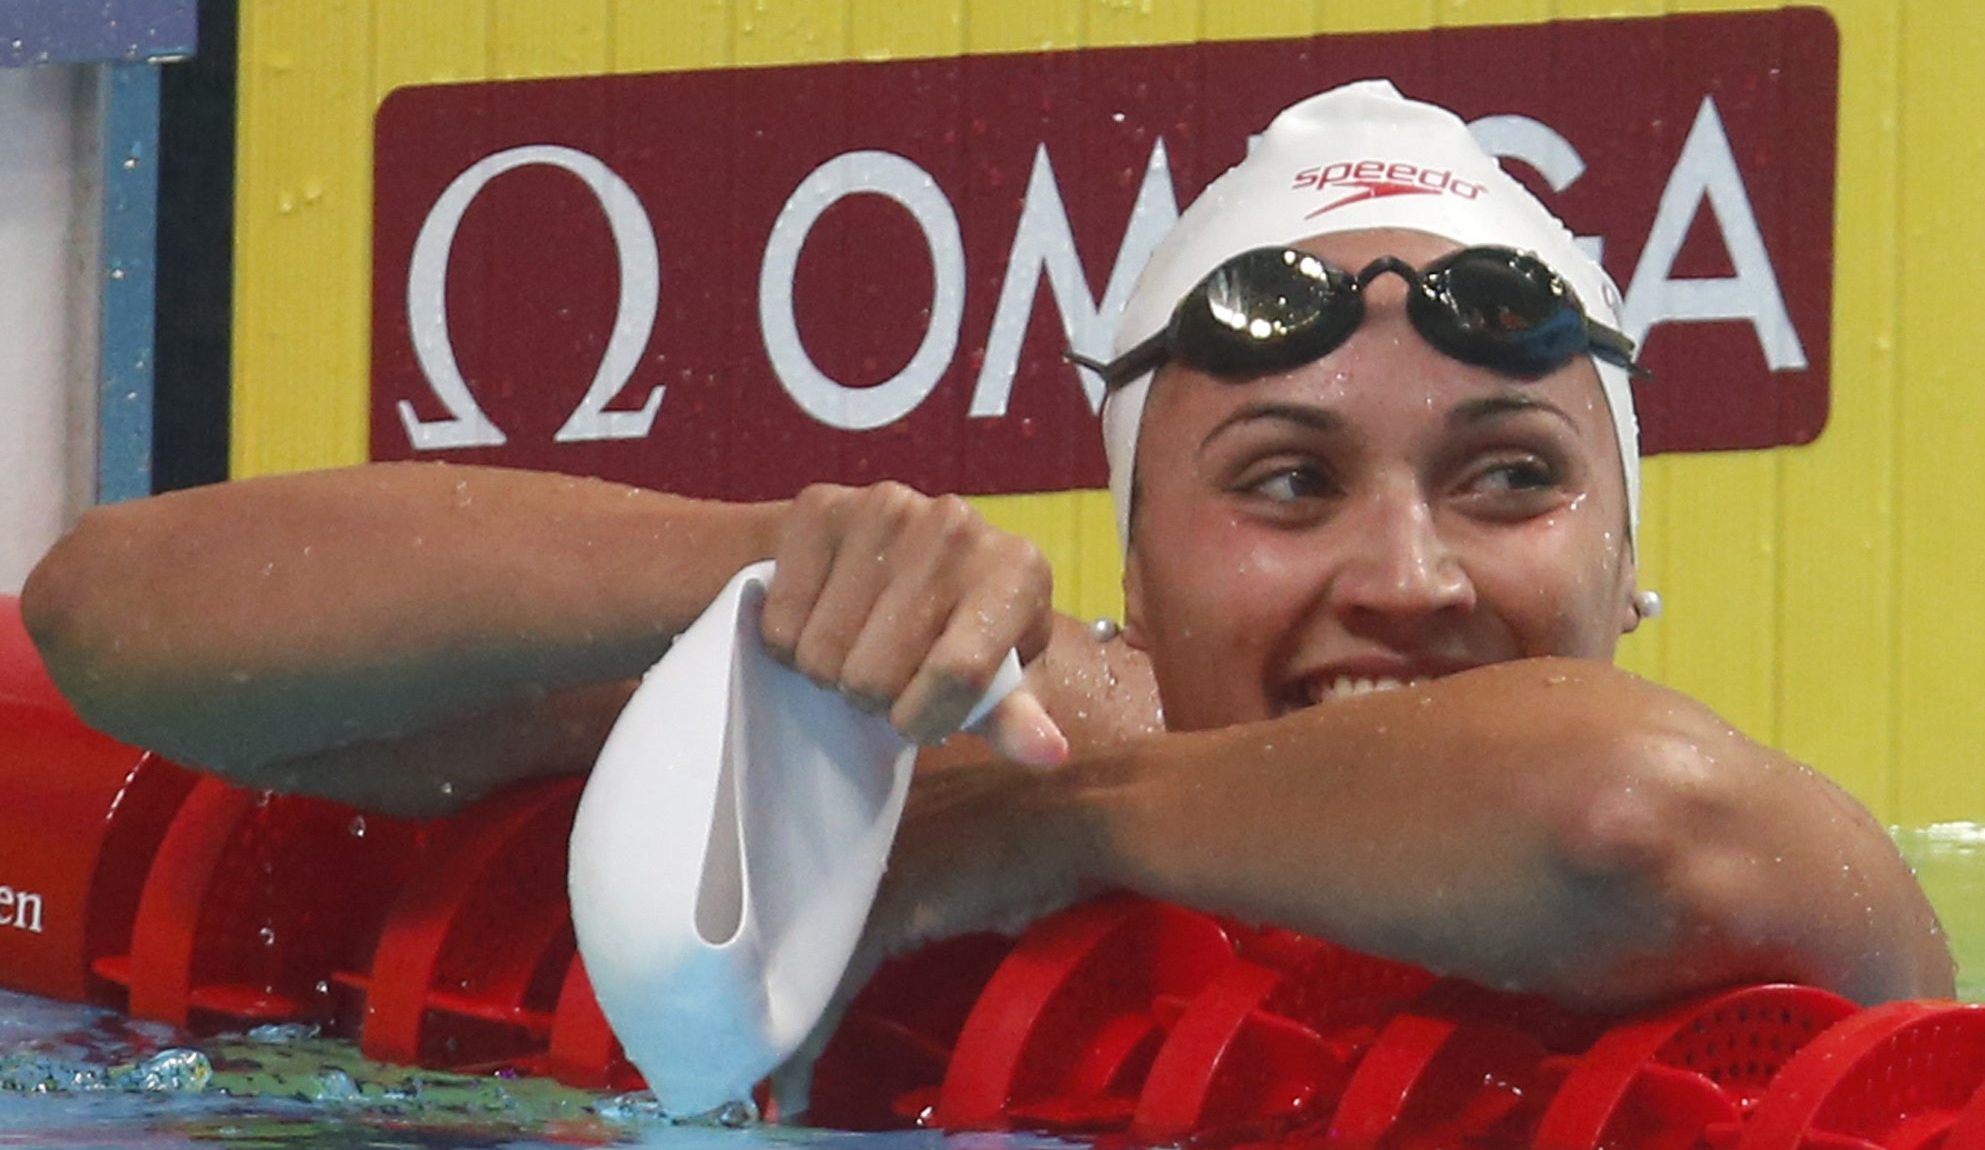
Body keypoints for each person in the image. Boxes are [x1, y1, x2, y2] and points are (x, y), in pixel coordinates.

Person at [21, 81, 1952, 1013]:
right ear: (1136, 564)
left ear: (1634, 577)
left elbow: (1606, 814)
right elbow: (120, 618)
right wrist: (752, 557)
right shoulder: (1001, 728)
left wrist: (1060, 827)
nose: (1410, 574)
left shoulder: (1774, 889)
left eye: (1509, 478)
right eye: (1284, 484)